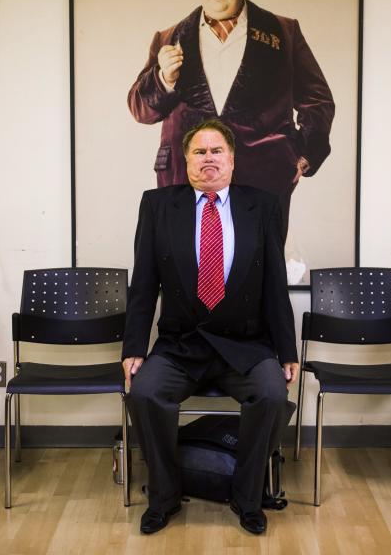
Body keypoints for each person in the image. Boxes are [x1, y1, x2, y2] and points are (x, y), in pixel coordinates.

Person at [122, 119, 299, 536]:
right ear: (185, 162)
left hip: (245, 346)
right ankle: (164, 497)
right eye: (199, 152)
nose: (208, 159)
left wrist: (286, 351)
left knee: (272, 394)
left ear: (233, 160)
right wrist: (134, 347)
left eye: (216, 151)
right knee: (145, 394)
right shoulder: (158, 205)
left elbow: (275, 286)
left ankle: (247, 496)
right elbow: (144, 283)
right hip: (181, 345)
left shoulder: (263, 205)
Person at [127, 0, 334, 236]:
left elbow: (318, 101)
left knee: (257, 272)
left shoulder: (283, 32)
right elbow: (140, 109)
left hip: (264, 179)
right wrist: (163, 79)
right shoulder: (168, 37)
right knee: (187, 271)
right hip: (184, 179)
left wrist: (303, 155)